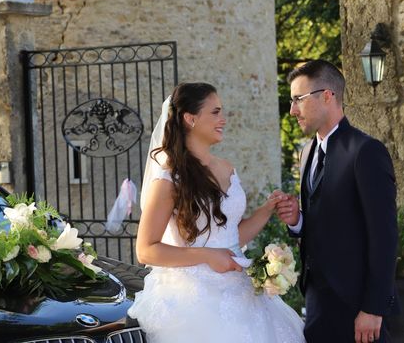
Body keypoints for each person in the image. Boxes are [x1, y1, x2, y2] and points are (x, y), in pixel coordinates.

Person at [128, 82, 305, 343]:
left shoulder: (227, 168)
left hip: (240, 289)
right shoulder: (169, 179)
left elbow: (231, 236)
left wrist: (267, 210)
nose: (223, 119)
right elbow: (146, 250)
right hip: (194, 299)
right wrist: (207, 256)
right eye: (215, 112)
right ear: (190, 119)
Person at [276, 60, 399, 343]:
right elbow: (324, 221)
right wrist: (297, 220)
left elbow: (385, 236)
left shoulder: (366, 151)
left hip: (359, 305)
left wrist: (373, 307)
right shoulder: (306, 152)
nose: (293, 110)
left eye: (299, 100)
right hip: (318, 302)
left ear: (328, 96)